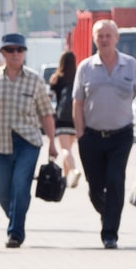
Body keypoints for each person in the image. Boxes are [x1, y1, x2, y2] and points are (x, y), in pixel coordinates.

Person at [0, 32, 57, 249]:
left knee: (20, 185)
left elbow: (46, 113)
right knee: (4, 191)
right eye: (10, 50)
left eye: (19, 50)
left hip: (28, 141)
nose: (15, 54)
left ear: (24, 53)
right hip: (0, 143)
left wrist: (53, 142)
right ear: (3, 53)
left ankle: (15, 232)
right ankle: (14, 216)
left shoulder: (34, 80)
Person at [73, 20, 136, 249]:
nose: (105, 39)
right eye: (100, 35)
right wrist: (80, 133)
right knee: (95, 187)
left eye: (109, 35)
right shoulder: (85, 67)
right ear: (94, 39)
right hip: (91, 136)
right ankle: (108, 212)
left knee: (115, 180)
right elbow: (77, 103)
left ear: (116, 38)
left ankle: (110, 232)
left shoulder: (130, 66)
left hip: (121, 135)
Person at [49, 51, 80, 187]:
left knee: (65, 150)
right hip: (74, 117)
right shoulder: (78, 77)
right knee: (69, 150)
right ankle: (65, 179)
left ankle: (74, 170)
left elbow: (48, 97)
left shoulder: (56, 78)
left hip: (62, 117)